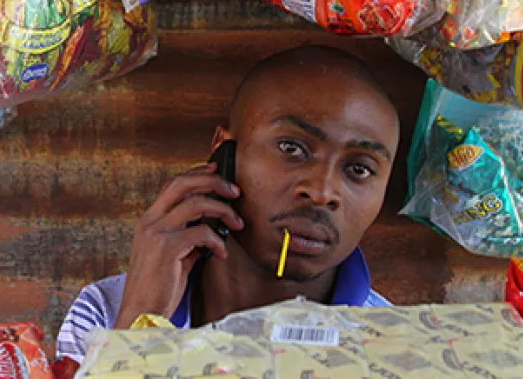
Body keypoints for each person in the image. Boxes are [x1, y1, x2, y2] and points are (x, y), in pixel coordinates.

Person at [56, 46, 401, 363]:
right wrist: (136, 329)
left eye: (359, 169)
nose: (322, 191)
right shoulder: (106, 314)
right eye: (292, 149)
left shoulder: (397, 352)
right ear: (224, 151)